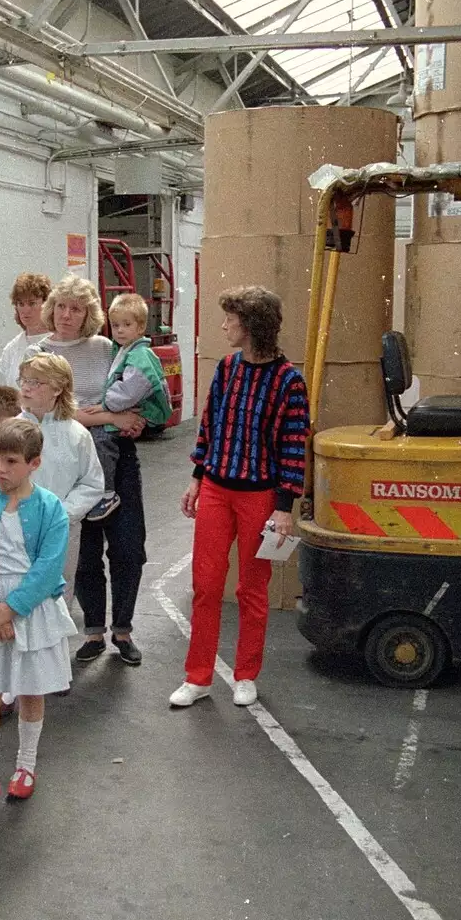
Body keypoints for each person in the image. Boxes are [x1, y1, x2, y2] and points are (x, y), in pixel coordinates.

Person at [172, 286, 310, 710]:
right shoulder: (228, 368)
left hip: (260, 498)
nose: (224, 326)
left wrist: (284, 508)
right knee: (206, 586)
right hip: (216, 488)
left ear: (249, 326)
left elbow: (293, 444)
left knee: (252, 590)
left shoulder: (289, 380)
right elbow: (211, 426)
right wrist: (197, 477)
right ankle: (197, 678)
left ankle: (246, 674)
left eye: (230, 319)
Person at [0, 418, 78, 810]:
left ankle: (25, 766)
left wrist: (13, 608)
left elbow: (49, 565)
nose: (0, 470)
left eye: (10, 461)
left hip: (31, 607)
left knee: (30, 690)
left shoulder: (51, 508)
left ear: (34, 463)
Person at [34, 275, 147, 667]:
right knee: (84, 555)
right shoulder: (39, 352)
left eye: (77, 308)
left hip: (117, 456)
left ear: (89, 314)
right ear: (52, 309)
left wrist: (133, 419)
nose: (67, 314)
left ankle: (124, 631)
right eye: (61, 306)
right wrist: (114, 416)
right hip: (68, 463)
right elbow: (52, 410)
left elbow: (132, 388)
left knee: (129, 547)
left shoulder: (105, 348)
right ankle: (94, 631)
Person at [81, 292, 172, 522]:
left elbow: (129, 391)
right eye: (115, 325)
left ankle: (107, 492)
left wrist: (105, 407)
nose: (119, 330)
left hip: (143, 409)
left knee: (102, 440)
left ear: (140, 327)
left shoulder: (141, 356)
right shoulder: (123, 350)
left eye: (126, 325)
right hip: (124, 408)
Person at [17, 353, 104, 524]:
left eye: (35, 382)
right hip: (14, 526)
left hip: (60, 527)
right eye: (23, 380)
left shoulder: (77, 435)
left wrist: (62, 513)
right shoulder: (10, 430)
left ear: (57, 389)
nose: (26, 387)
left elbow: (91, 484)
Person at [0, 273, 52, 387]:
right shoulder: (11, 349)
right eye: (21, 304)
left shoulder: (58, 342)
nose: (25, 310)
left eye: (32, 303)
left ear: (46, 304)